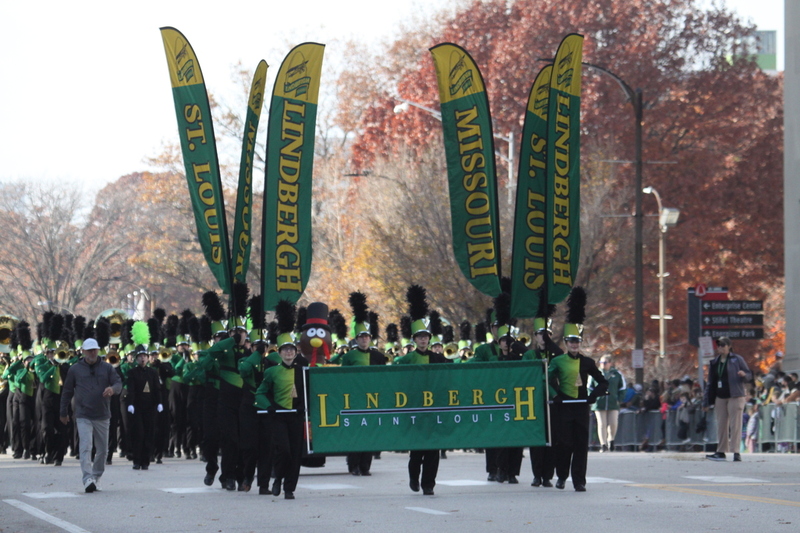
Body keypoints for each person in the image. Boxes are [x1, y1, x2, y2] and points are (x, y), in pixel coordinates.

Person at [548, 287, 607, 492]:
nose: (575, 344)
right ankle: (562, 476)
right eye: (571, 341)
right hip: (564, 406)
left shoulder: (588, 362)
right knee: (564, 444)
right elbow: (546, 380)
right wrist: (555, 396)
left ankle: (579, 480)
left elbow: (603, 382)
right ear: (565, 342)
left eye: (577, 341)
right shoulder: (557, 361)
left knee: (582, 446)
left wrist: (593, 396)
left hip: (582, 407)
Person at [395, 285, 448, 496]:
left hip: (434, 408)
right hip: (415, 407)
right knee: (417, 450)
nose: (424, 339)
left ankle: (429, 484)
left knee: (433, 450)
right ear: (414, 340)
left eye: (426, 336)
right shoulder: (406, 359)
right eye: (420, 337)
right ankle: (414, 478)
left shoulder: (438, 358)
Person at [59, 338, 122, 492]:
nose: (93, 352)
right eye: (89, 350)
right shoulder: (75, 369)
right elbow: (67, 391)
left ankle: (97, 475)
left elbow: (118, 383)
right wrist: (63, 411)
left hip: (102, 414)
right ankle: (87, 478)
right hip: (83, 414)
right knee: (85, 446)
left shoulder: (107, 368)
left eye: (95, 349)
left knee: (103, 449)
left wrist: (113, 389)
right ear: (83, 352)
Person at [523, 314, 562, 488]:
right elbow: (530, 376)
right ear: (535, 336)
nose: (543, 337)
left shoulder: (557, 354)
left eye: (546, 333)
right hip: (536, 400)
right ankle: (536, 475)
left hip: (554, 401)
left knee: (552, 438)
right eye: (540, 333)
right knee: (537, 439)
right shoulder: (530, 354)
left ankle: (548, 475)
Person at [703, 336, 752, 462]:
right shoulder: (715, 362)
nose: (720, 347)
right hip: (720, 395)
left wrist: (744, 375)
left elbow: (749, 375)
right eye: (719, 345)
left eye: (723, 345)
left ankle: (736, 452)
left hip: (735, 395)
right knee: (721, 424)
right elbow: (710, 382)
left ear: (729, 346)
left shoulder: (737, 359)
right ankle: (721, 451)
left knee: (735, 424)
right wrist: (707, 400)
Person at [126, 345, 163, 470]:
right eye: (140, 357)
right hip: (137, 407)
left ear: (148, 358)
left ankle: (146, 461)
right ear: (137, 359)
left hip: (150, 407)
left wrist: (159, 402)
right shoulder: (132, 372)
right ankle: (136, 460)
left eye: (144, 357)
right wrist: (130, 403)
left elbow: (157, 388)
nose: (142, 359)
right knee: (138, 434)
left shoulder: (152, 372)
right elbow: (131, 389)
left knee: (149, 433)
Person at [590, 354, 626, 452]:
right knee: (602, 424)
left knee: (613, 423)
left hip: (613, 402)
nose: (602, 364)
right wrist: (593, 397)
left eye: (605, 362)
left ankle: (611, 440)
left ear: (610, 363)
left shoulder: (617, 374)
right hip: (599, 402)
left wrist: (619, 399)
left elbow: (622, 388)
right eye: (601, 362)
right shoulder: (595, 373)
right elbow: (589, 387)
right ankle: (603, 444)